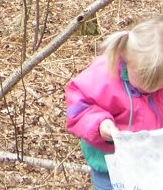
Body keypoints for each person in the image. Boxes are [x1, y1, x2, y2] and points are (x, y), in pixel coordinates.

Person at [65, 18, 163, 190]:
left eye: (158, 84)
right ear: (126, 60)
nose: (150, 89)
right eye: (143, 81)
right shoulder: (103, 75)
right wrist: (100, 124)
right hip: (110, 165)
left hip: (152, 162)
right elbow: (78, 110)